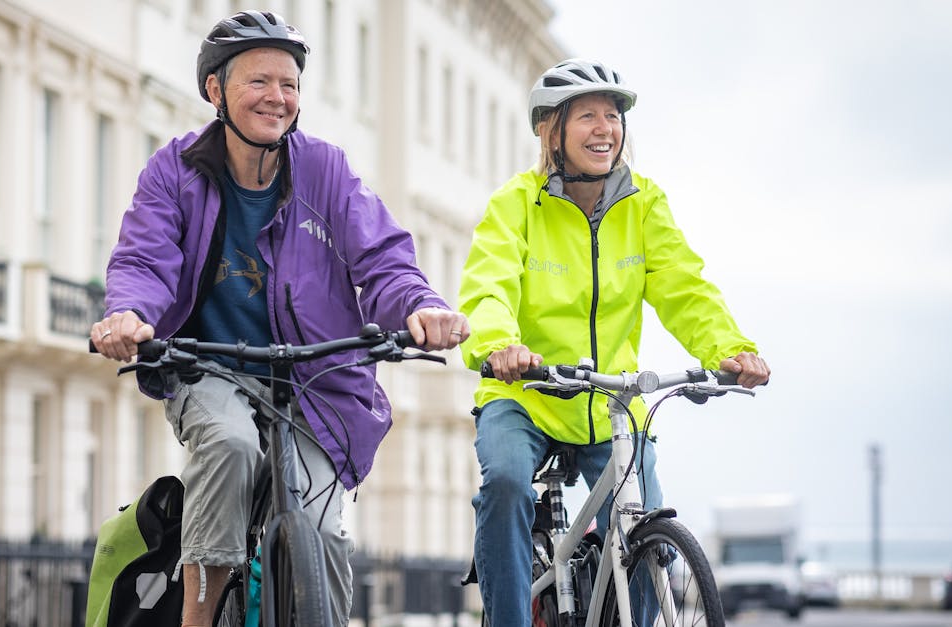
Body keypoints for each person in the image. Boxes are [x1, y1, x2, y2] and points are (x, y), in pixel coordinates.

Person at [90, 10, 469, 627]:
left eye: (289, 83)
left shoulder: (325, 169)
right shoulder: (175, 169)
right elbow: (143, 257)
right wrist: (128, 314)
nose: (278, 96)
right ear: (215, 89)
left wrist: (419, 305)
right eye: (259, 81)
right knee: (232, 443)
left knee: (320, 524)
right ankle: (200, 616)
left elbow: (381, 256)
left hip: (315, 379)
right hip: (209, 364)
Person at [457, 58, 770, 624]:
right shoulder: (516, 203)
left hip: (611, 404)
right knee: (504, 485)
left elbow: (683, 285)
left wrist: (727, 346)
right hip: (524, 392)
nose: (605, 128)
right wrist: (500, 344)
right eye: (588, 117)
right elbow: (489, 283)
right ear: (553, 130)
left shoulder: (643, 202)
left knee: (647, 518)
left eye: (613, 116)